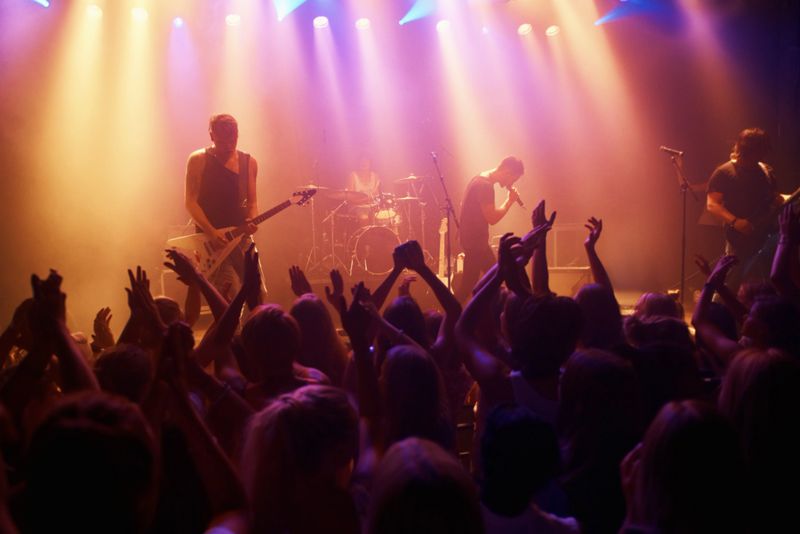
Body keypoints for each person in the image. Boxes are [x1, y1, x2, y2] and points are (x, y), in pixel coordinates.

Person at [185, 114, 262, 300]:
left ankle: (250, 329)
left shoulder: (249, 162)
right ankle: (233, 330)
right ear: (212, 136)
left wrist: (252, 220)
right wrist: (211, 231)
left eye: (232, 140)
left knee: (258, 293)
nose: (228, 145)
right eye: (222, 141)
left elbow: (252, 202)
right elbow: (190, 202)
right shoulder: (198, 160)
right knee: (229, 296)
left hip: (241, 238)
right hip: (212, 242)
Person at [706, 128, 783, 285]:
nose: (761, 156)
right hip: (739, 240)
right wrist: (735, 221)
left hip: (766, 237)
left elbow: (774, 198)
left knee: (763, 282)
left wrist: (780, 201)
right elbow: (712, 204)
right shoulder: (724, 172)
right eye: (758, 152)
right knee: (731, 282)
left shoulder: (766, 170)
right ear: (745, 150)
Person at [457, 156, 524, 302]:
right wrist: (509, 201)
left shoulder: (479, 179)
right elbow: (492, 218)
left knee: (492, 279)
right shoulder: (485, 186)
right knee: (474, 284)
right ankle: (449, 317)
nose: (511, 184)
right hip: (475, 244)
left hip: (476, 242)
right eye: (513, 179)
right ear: (507, 172)